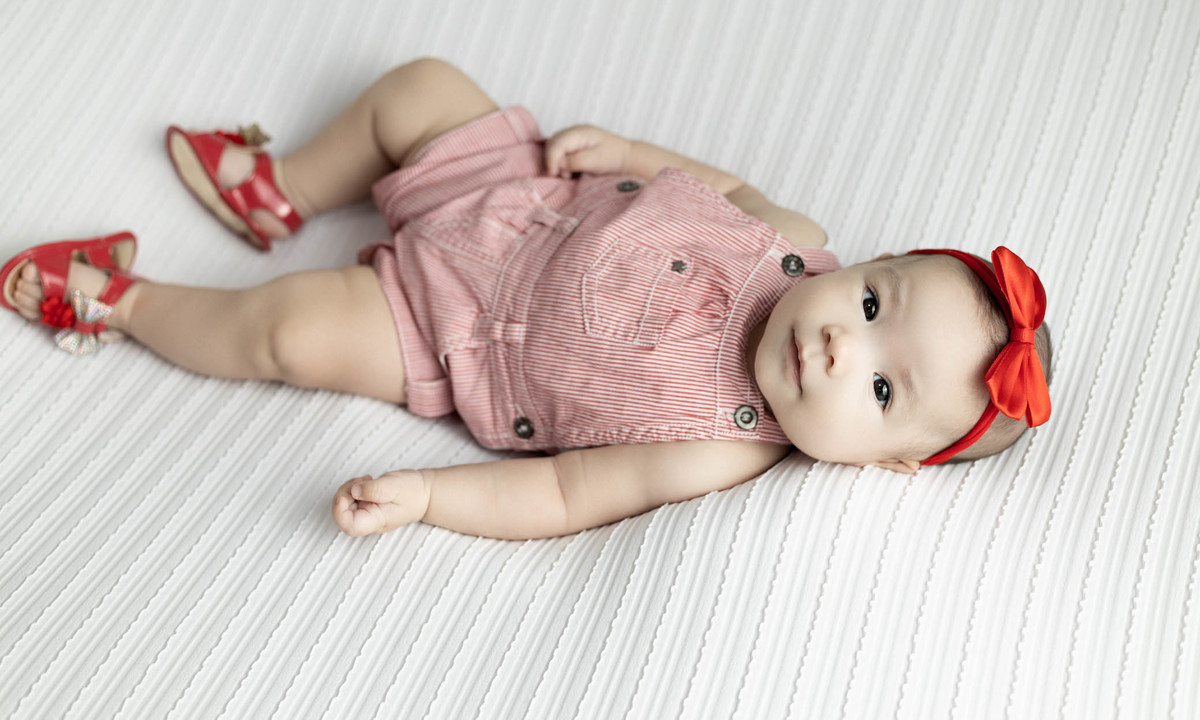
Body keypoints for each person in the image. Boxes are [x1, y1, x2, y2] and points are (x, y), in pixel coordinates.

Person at [0, 59, 1052, 541]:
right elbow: (719, 185)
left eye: (880, 389)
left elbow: (564, 496)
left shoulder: (717, 447)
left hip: (451, 328)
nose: (837, 348)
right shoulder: (790, 235)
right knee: (418, 87)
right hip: (515, 194)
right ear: (870, 262)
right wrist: (628, 150)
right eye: (871, 305)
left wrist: (429, 496)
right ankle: (283, 190)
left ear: (884, 462)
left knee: (288, 331)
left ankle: (122, 302)